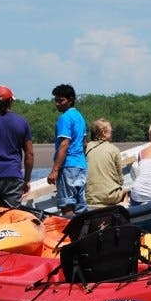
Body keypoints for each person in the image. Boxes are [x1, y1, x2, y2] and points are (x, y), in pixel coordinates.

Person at [47, 83, 87, 216]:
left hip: (68, 166)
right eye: (56, 100)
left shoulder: (65, 118)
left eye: (61, 100)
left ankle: (72, 235)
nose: (57, 104)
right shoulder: (80, 117)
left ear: (70, 100)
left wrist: (55, 170)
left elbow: (64, 144)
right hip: (81, 166)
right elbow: (84, 143)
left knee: (67, 205)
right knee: (80, 205)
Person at [84, 118, 124, 206]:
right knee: (127, 193)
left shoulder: (86, 148)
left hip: (91, 197)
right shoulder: (114, 149)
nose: (112, 133)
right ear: (104, 133)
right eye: (111, 131)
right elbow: (121, 179)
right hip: (111, 197)